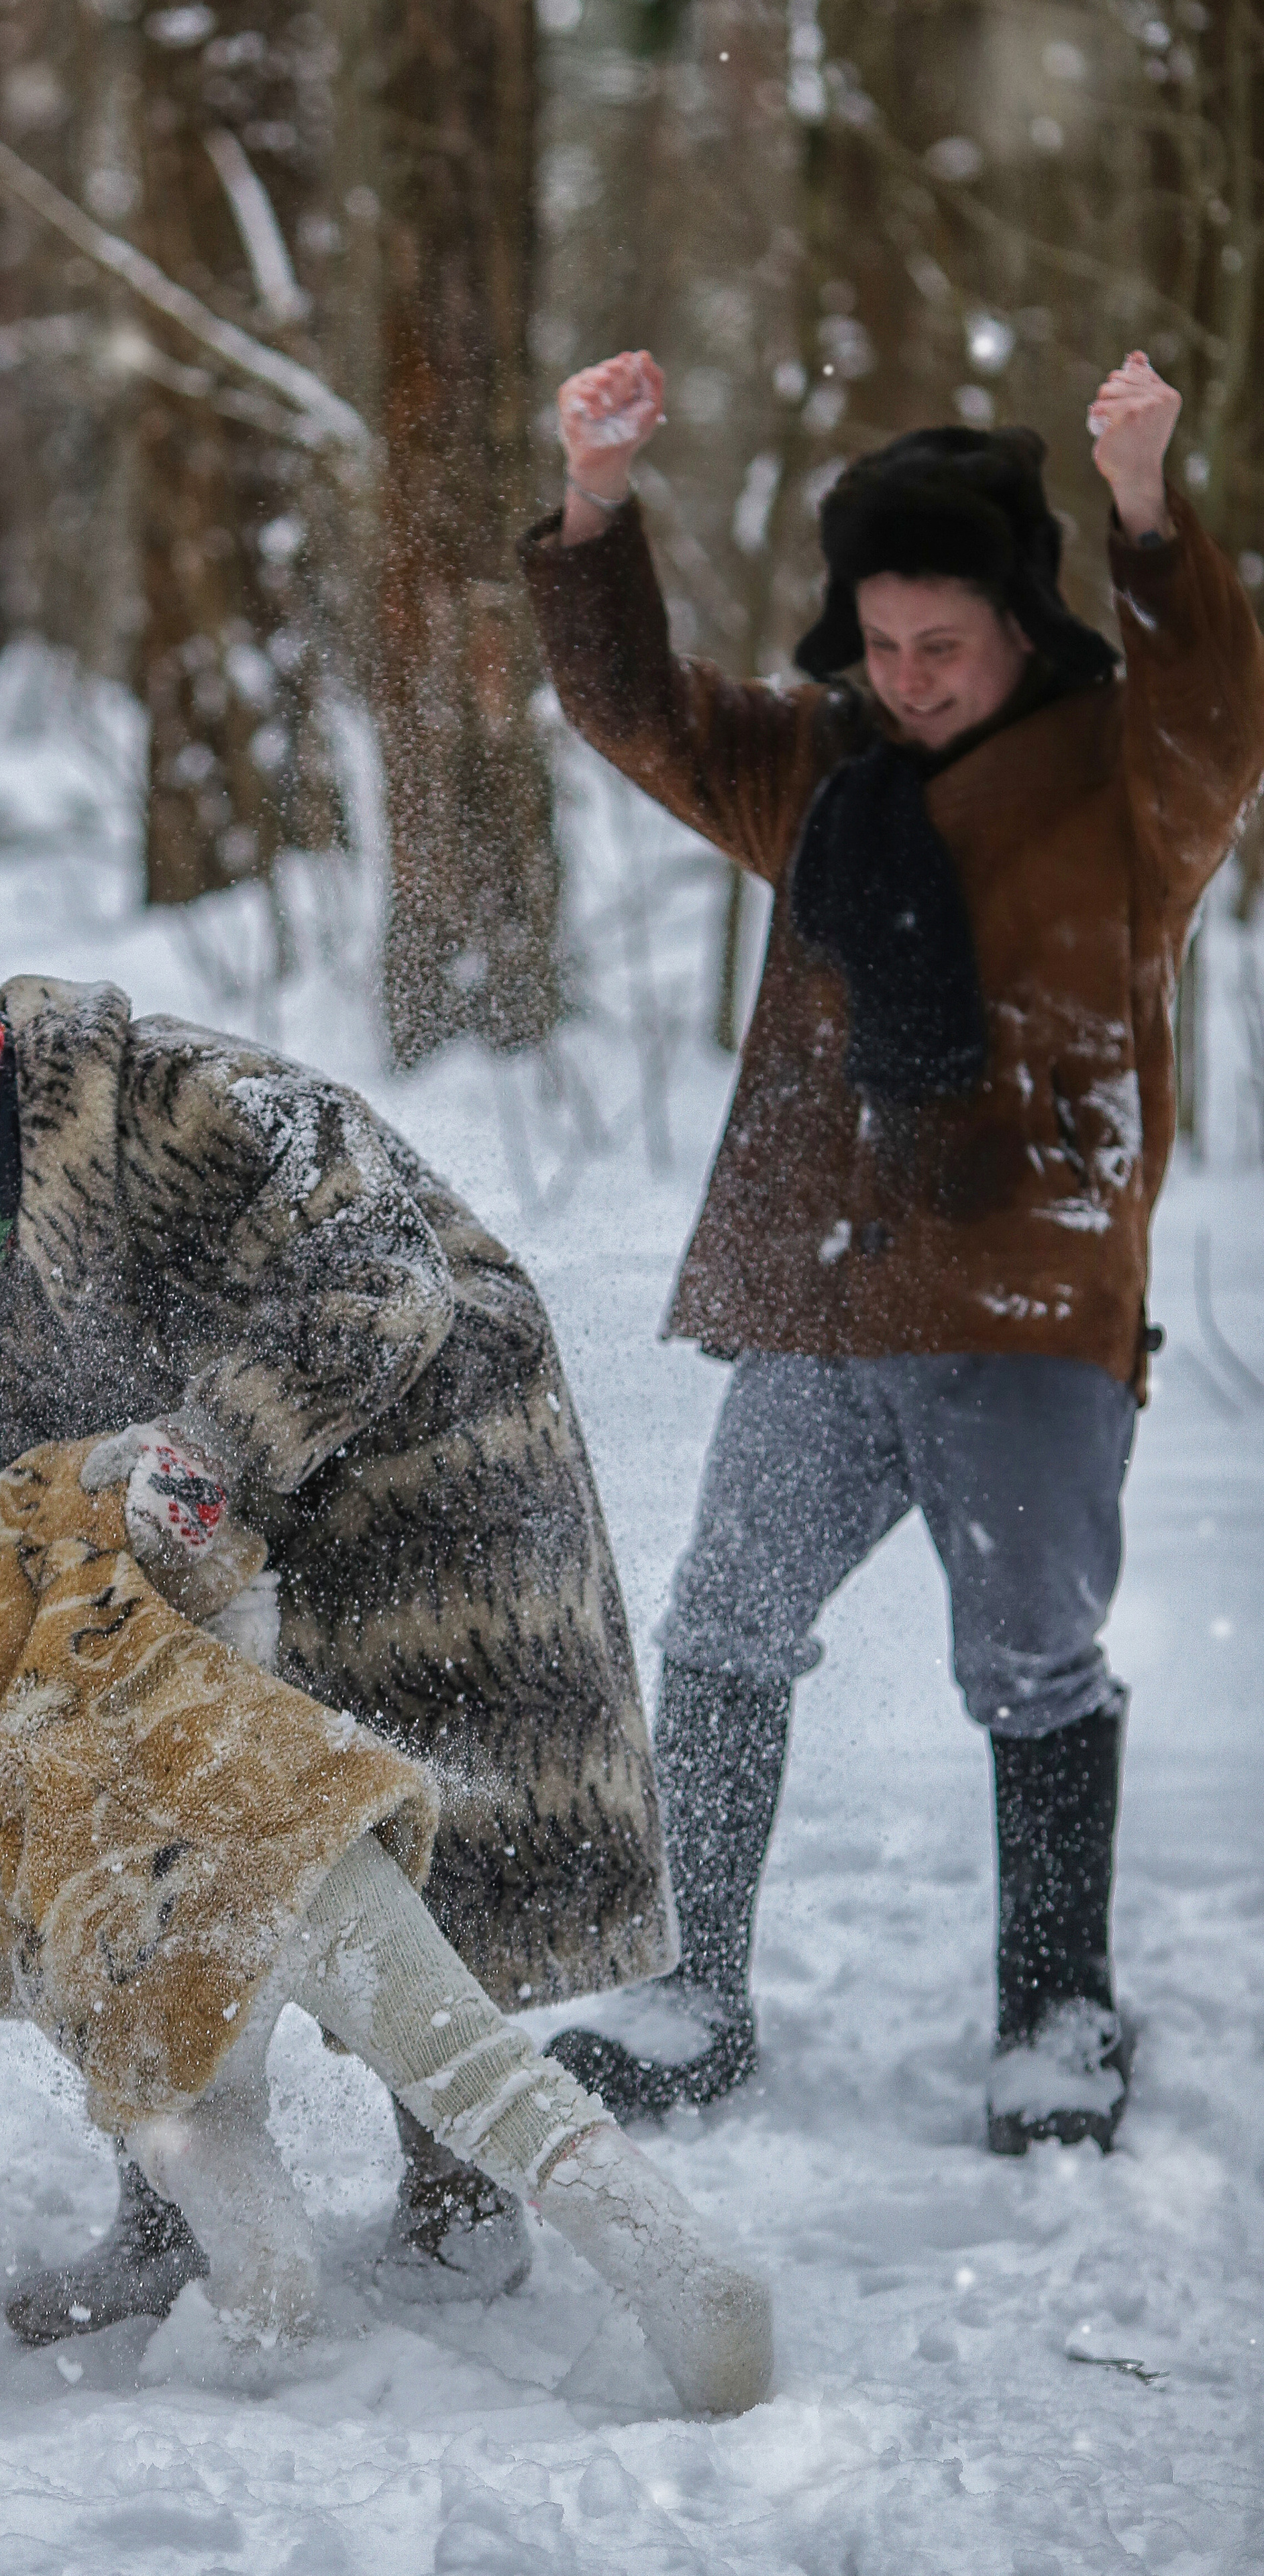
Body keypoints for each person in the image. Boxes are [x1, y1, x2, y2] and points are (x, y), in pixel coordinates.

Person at [519, 348, 1264, 2152]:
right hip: (826, 1287)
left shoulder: (1124, 784)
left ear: (1025, 623)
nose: (910, 681)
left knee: (1028, 1654)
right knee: (724, 1628)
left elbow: (1224, 715)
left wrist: (1151, 508)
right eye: (884, 643)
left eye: (946, 644)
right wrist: (597, 505)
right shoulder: (819, 769)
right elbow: (640, 719)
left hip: (1025, 1286)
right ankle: (693, 1993)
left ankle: (1057, 2011)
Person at [0, 977, 675, 2334]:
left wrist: (217, 1446)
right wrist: (37, 1560)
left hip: (428, 1479)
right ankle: (169, 2218)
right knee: (142, 1818)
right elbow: (17, 1427)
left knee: (431, 1825)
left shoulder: (181, 1099)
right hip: (211, 1515)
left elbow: (384, 1275)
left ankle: (463, 2212)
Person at [0, 1433, 770, 2418]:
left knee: (198, 2123)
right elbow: (161, 1494)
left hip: (146, 1920)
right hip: (288, 1796)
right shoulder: (11, 1560)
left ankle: (260, 2322)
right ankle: (683, 2270)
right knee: (483, 2073)